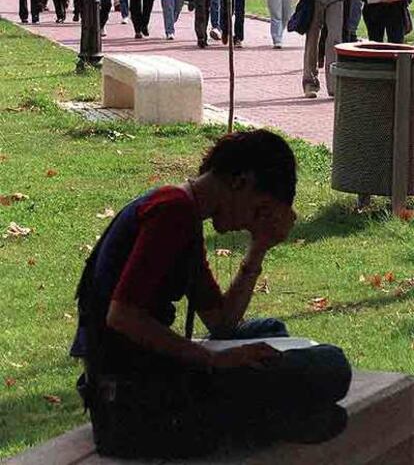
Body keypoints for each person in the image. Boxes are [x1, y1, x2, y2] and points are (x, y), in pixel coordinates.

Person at [70, 128, 352, 459]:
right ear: (240, 182)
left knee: (268, 331)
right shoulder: (171, 211)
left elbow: (221, 323)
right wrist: (213, 359)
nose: (252, 223)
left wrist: (259, 247)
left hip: (142, 379)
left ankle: (265, 417)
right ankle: (258, 420)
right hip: (133, 399)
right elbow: (122, 315)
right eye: (259, 210)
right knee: (333, 365)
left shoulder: (184, 215)